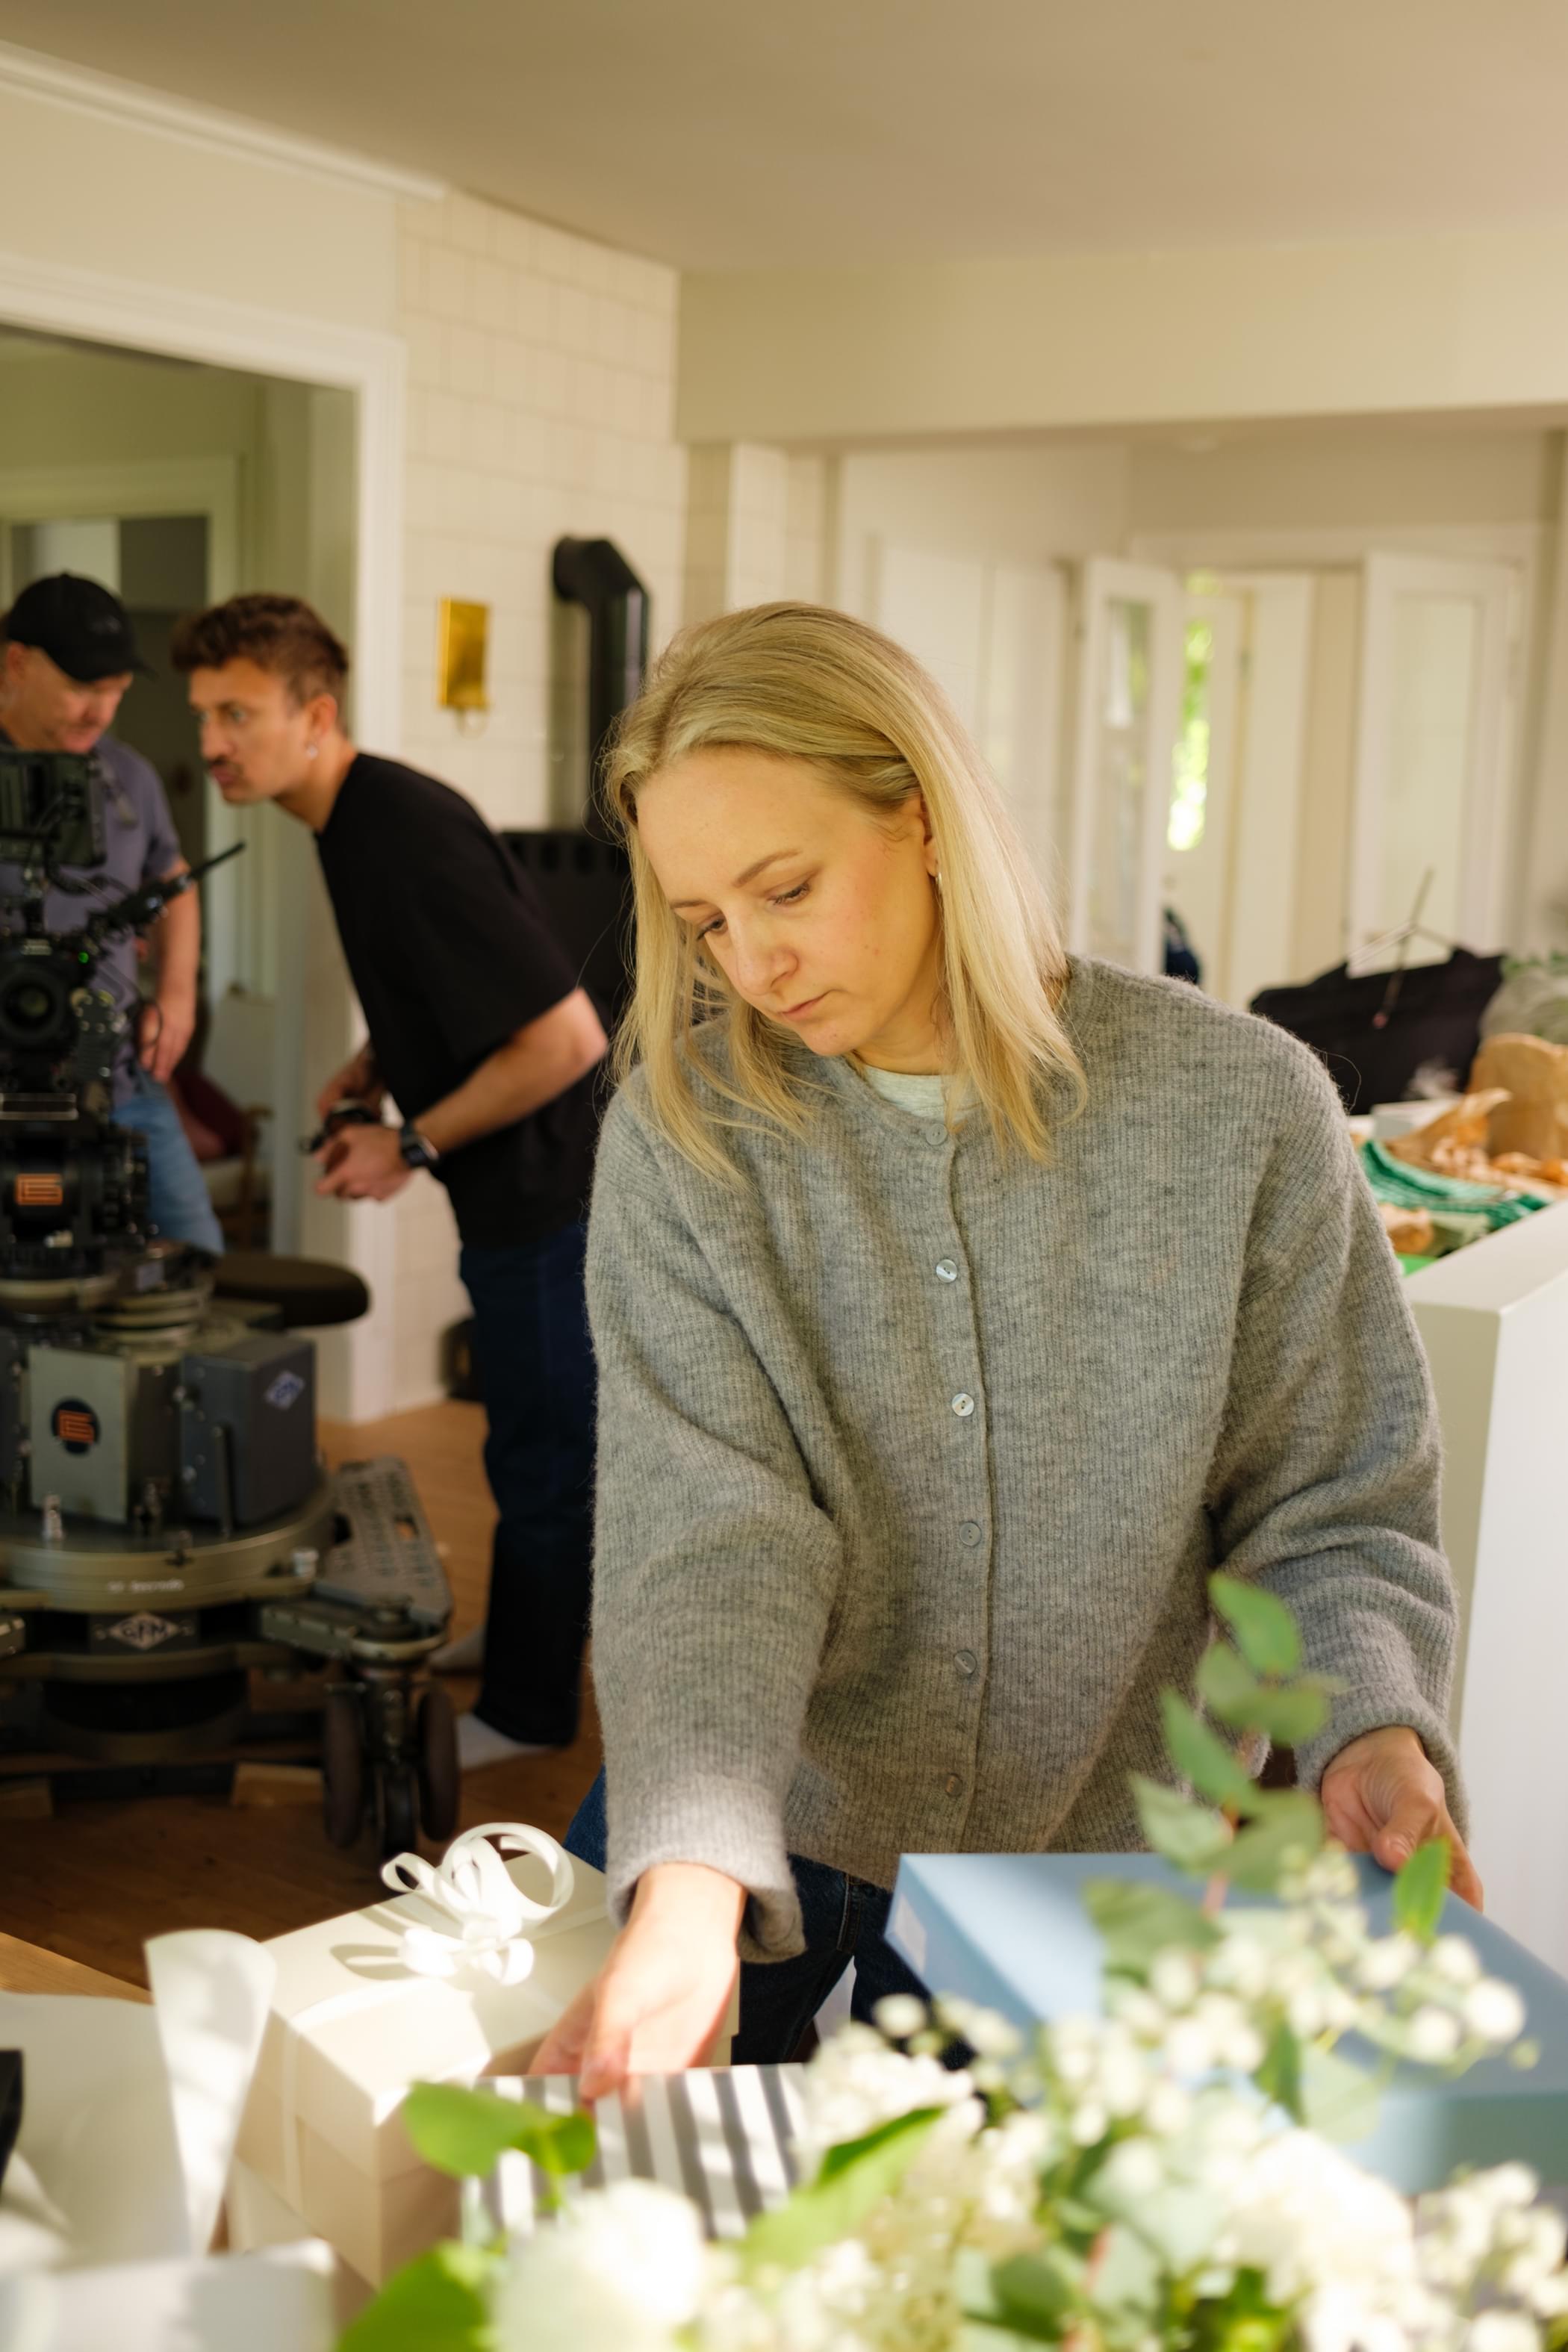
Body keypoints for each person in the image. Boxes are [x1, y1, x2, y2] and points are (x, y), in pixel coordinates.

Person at [534, 601, 1479, 2097]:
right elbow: (710, 1528)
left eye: (786, 886)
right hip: (758, 1792)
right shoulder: (693, 1129)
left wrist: (1374, 1727)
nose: (755, 963)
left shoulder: (1240, 1109)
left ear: (921, 815)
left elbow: (1333, 1500)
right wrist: (694, 1886)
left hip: (1085, 1841)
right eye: (706, 920)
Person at [171, 594, 607, 1767]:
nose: (212, 740)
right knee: (528, 1444)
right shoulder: (355, 820)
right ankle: (517, 1652)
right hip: (515, 1191)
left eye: (238, 713)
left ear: (316, 714)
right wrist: (378, 1064)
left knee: (546, 1459)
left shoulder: (396, 829)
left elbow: (566, 1040)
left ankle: (526, 1711)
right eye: (204, 712)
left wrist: (408, 1143)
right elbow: (471, 986)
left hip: (555, 1198)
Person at [0, 573, 223, 1253]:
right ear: (17, 664)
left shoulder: (131, 778)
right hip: (10, 1099)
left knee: (198, 1267)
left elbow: (175, 883)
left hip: (123, 1087)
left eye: (115, 691)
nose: (100, 712)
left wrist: (178, 997)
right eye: (82, 688)